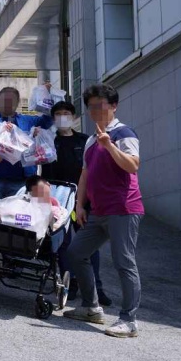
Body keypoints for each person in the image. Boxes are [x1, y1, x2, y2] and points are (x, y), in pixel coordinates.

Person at [64, 84, 143, 338]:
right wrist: (79, 205)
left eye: (101, 105)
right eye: (91, 106)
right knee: (76, 253)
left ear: (113, 106)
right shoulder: (90, 140)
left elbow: (132, 166)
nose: (96, 110)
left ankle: (129, 321)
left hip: (123, 209)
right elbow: (85, 174)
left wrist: (110, 145)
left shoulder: (124, 133)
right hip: (97, 211)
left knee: (124, 262)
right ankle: (91, 307)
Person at [42, 101, 112, 307]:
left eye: (66, 113)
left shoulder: (85, 141)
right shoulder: (48, 141)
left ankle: (95, 287)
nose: (62, 117)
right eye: (58, 114)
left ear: (73, 117)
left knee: (89, 243)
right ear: (53, 118)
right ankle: (68, 283)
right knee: (62, 243)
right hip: (58, 200)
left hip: (82, 200)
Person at [0, 87, 52, 203]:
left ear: (17, 102)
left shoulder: (28, 121)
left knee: (17, 215)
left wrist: (46, 94)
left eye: (10, 101)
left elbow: (48, 120)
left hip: (21, 180)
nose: (7, 104)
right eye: (4, 101)